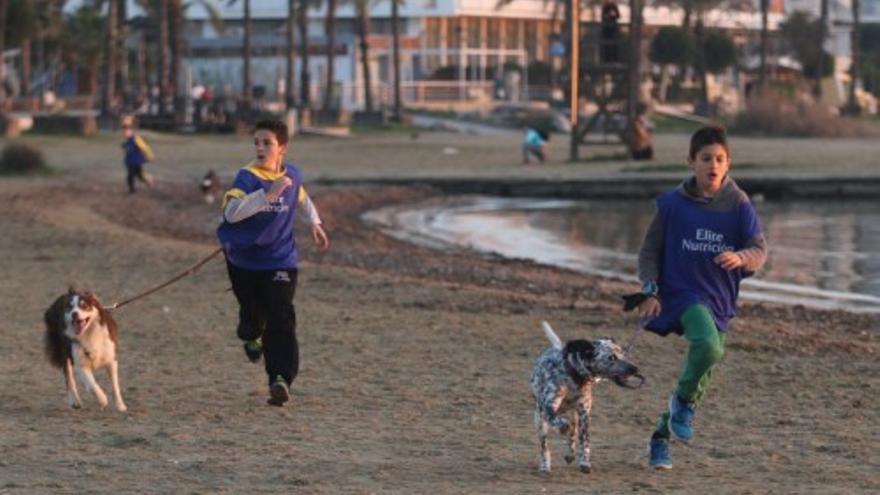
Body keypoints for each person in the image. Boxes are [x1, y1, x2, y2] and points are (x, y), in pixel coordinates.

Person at [632, 126, 768, 470]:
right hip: (682, 294)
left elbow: (759, 249)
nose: (713, 164)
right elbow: (649, 252)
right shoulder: (671, 205)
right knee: (708, 347)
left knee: (704, 371)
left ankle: (661, 436)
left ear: (728, 163)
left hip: (719, 297)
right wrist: (649, 287)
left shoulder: (738, 204)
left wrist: (741, 258)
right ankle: (680, 404)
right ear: (691, 162)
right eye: (706, 158)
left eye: (720, 159)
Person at [217, 119, 330, 407]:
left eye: (267, 142)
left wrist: (315, 223)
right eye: (256, 142)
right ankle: (251, 335)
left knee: (281, 315)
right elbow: (231, 213)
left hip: (281, 260)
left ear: (282, 148)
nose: (260, 147)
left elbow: (301, 198)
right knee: (253, 318)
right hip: (243, 262)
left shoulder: (292, 175)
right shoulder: (247, 177)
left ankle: (280, 378)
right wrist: (268, 194)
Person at [120, 118, 155, 193]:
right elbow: (128, 150)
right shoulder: (127, 141)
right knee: (130, 175)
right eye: (124, 132)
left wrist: (150, 155)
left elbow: (145, 147)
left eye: (127, 132)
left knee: (140, 176)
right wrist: (125, 147)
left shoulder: (136, 139)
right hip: (130, 162)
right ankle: (131, 190)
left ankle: (149, 180)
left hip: (137, 161)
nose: (125, 133)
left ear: (131, 131)